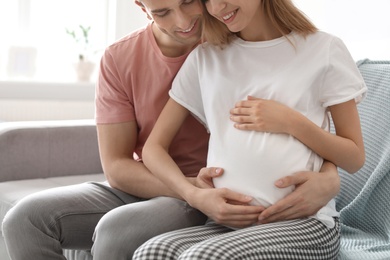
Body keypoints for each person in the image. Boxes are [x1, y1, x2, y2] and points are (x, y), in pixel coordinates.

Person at [2, 0, 341, 259]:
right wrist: (191, 191)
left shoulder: (241, 37)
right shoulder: (119, 58)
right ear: (140, 6)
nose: (183, 22)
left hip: (224, 188)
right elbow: (118, 165)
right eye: (162, 11)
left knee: (118, 230)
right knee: (24, 220)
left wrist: (330, 175)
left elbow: (303, 118)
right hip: (165, 183)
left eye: (188, 1)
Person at [134, 0, 367, 259]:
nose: (216, 7)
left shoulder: (324, 49)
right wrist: (193, 196)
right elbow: (154, 148)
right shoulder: (206, 58)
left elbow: (354, 157)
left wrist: (291, 122)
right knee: (150, 252)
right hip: (226, 226)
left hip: (305, 224)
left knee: (202, 257)